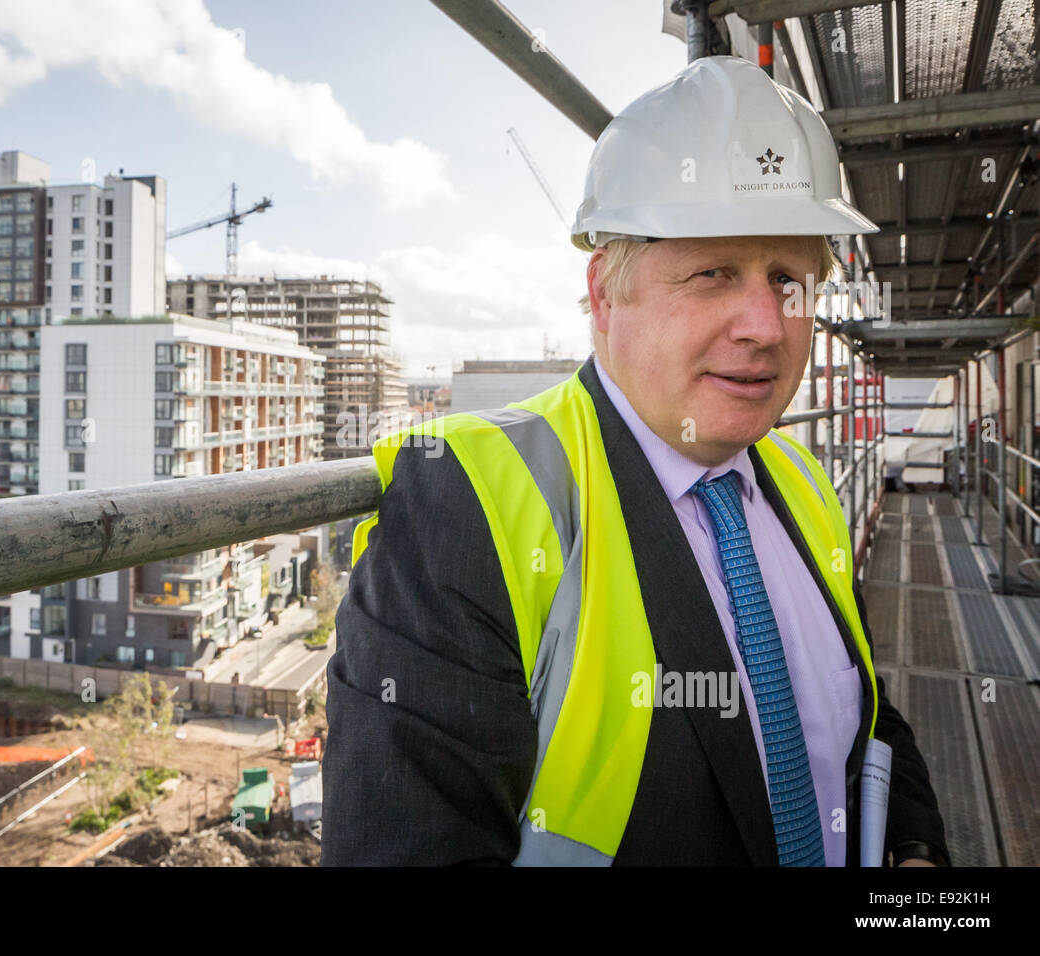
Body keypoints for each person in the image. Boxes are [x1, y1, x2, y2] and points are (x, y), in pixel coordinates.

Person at [321, 56, 948, 867]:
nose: (766, 323)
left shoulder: (802, 484)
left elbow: (864, 715)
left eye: (789, 279)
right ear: (606, 293)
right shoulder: (470, 502)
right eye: (714, 273)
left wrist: (916, 855)